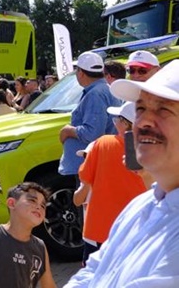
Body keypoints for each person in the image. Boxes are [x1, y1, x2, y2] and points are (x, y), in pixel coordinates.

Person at [64, 58, 179, 286]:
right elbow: (94, 269)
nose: (144, 121)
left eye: (163, 110)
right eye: (141, 108)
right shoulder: (140, 207)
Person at [74, 100, 147, 265]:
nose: (114, 123)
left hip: (100, 230)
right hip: (135, 229)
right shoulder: (150, 150)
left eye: (117, 119)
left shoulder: (102, 143)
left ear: (124, 124)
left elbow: (83, 186)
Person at [59, 52, 121, 177]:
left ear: (81, 72)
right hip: (96, 163)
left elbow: (93, 133)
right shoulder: (105, 89)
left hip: (89, 165)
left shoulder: (95, 94)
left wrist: (68, 131)